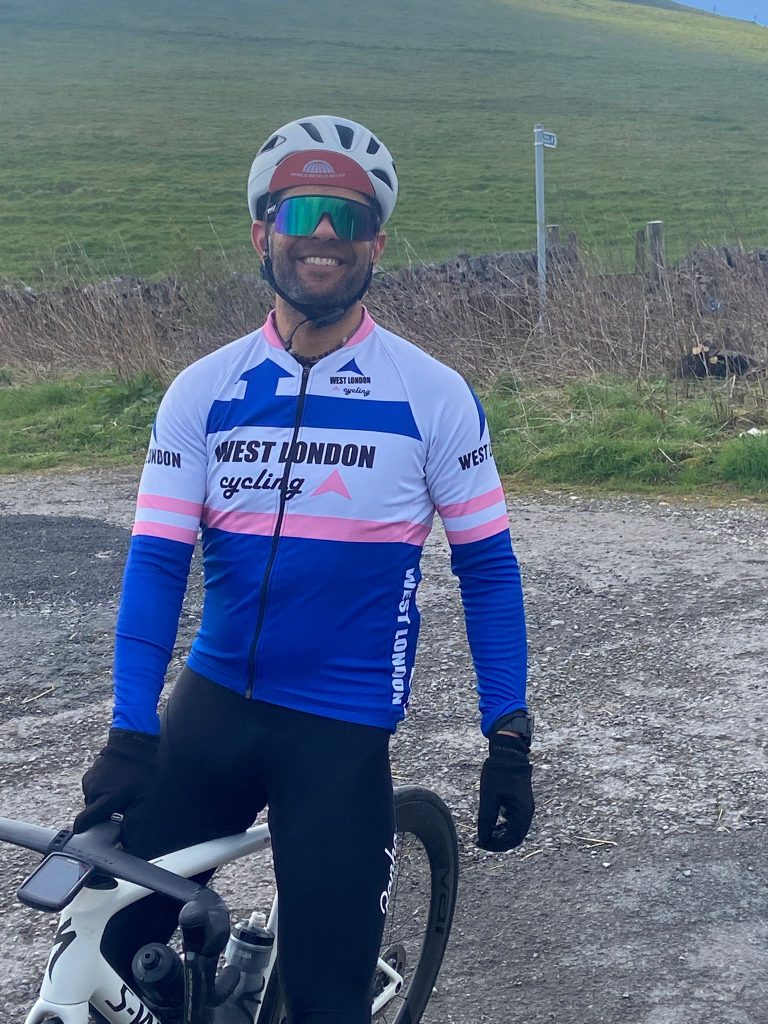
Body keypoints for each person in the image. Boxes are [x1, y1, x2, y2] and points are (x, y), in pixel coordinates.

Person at [74, 114, 534, 1024]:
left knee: (328, 1003)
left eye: (349, 218)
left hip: (339, 728)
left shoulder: (432, 395)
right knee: (115, 953)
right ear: (262, 232)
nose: (324, 234)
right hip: (211, 710)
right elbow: (158, 564)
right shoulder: (203, 390)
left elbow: (488, 571)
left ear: (377, 245)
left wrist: (509, 736)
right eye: (301, 212)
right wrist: (130, 732)